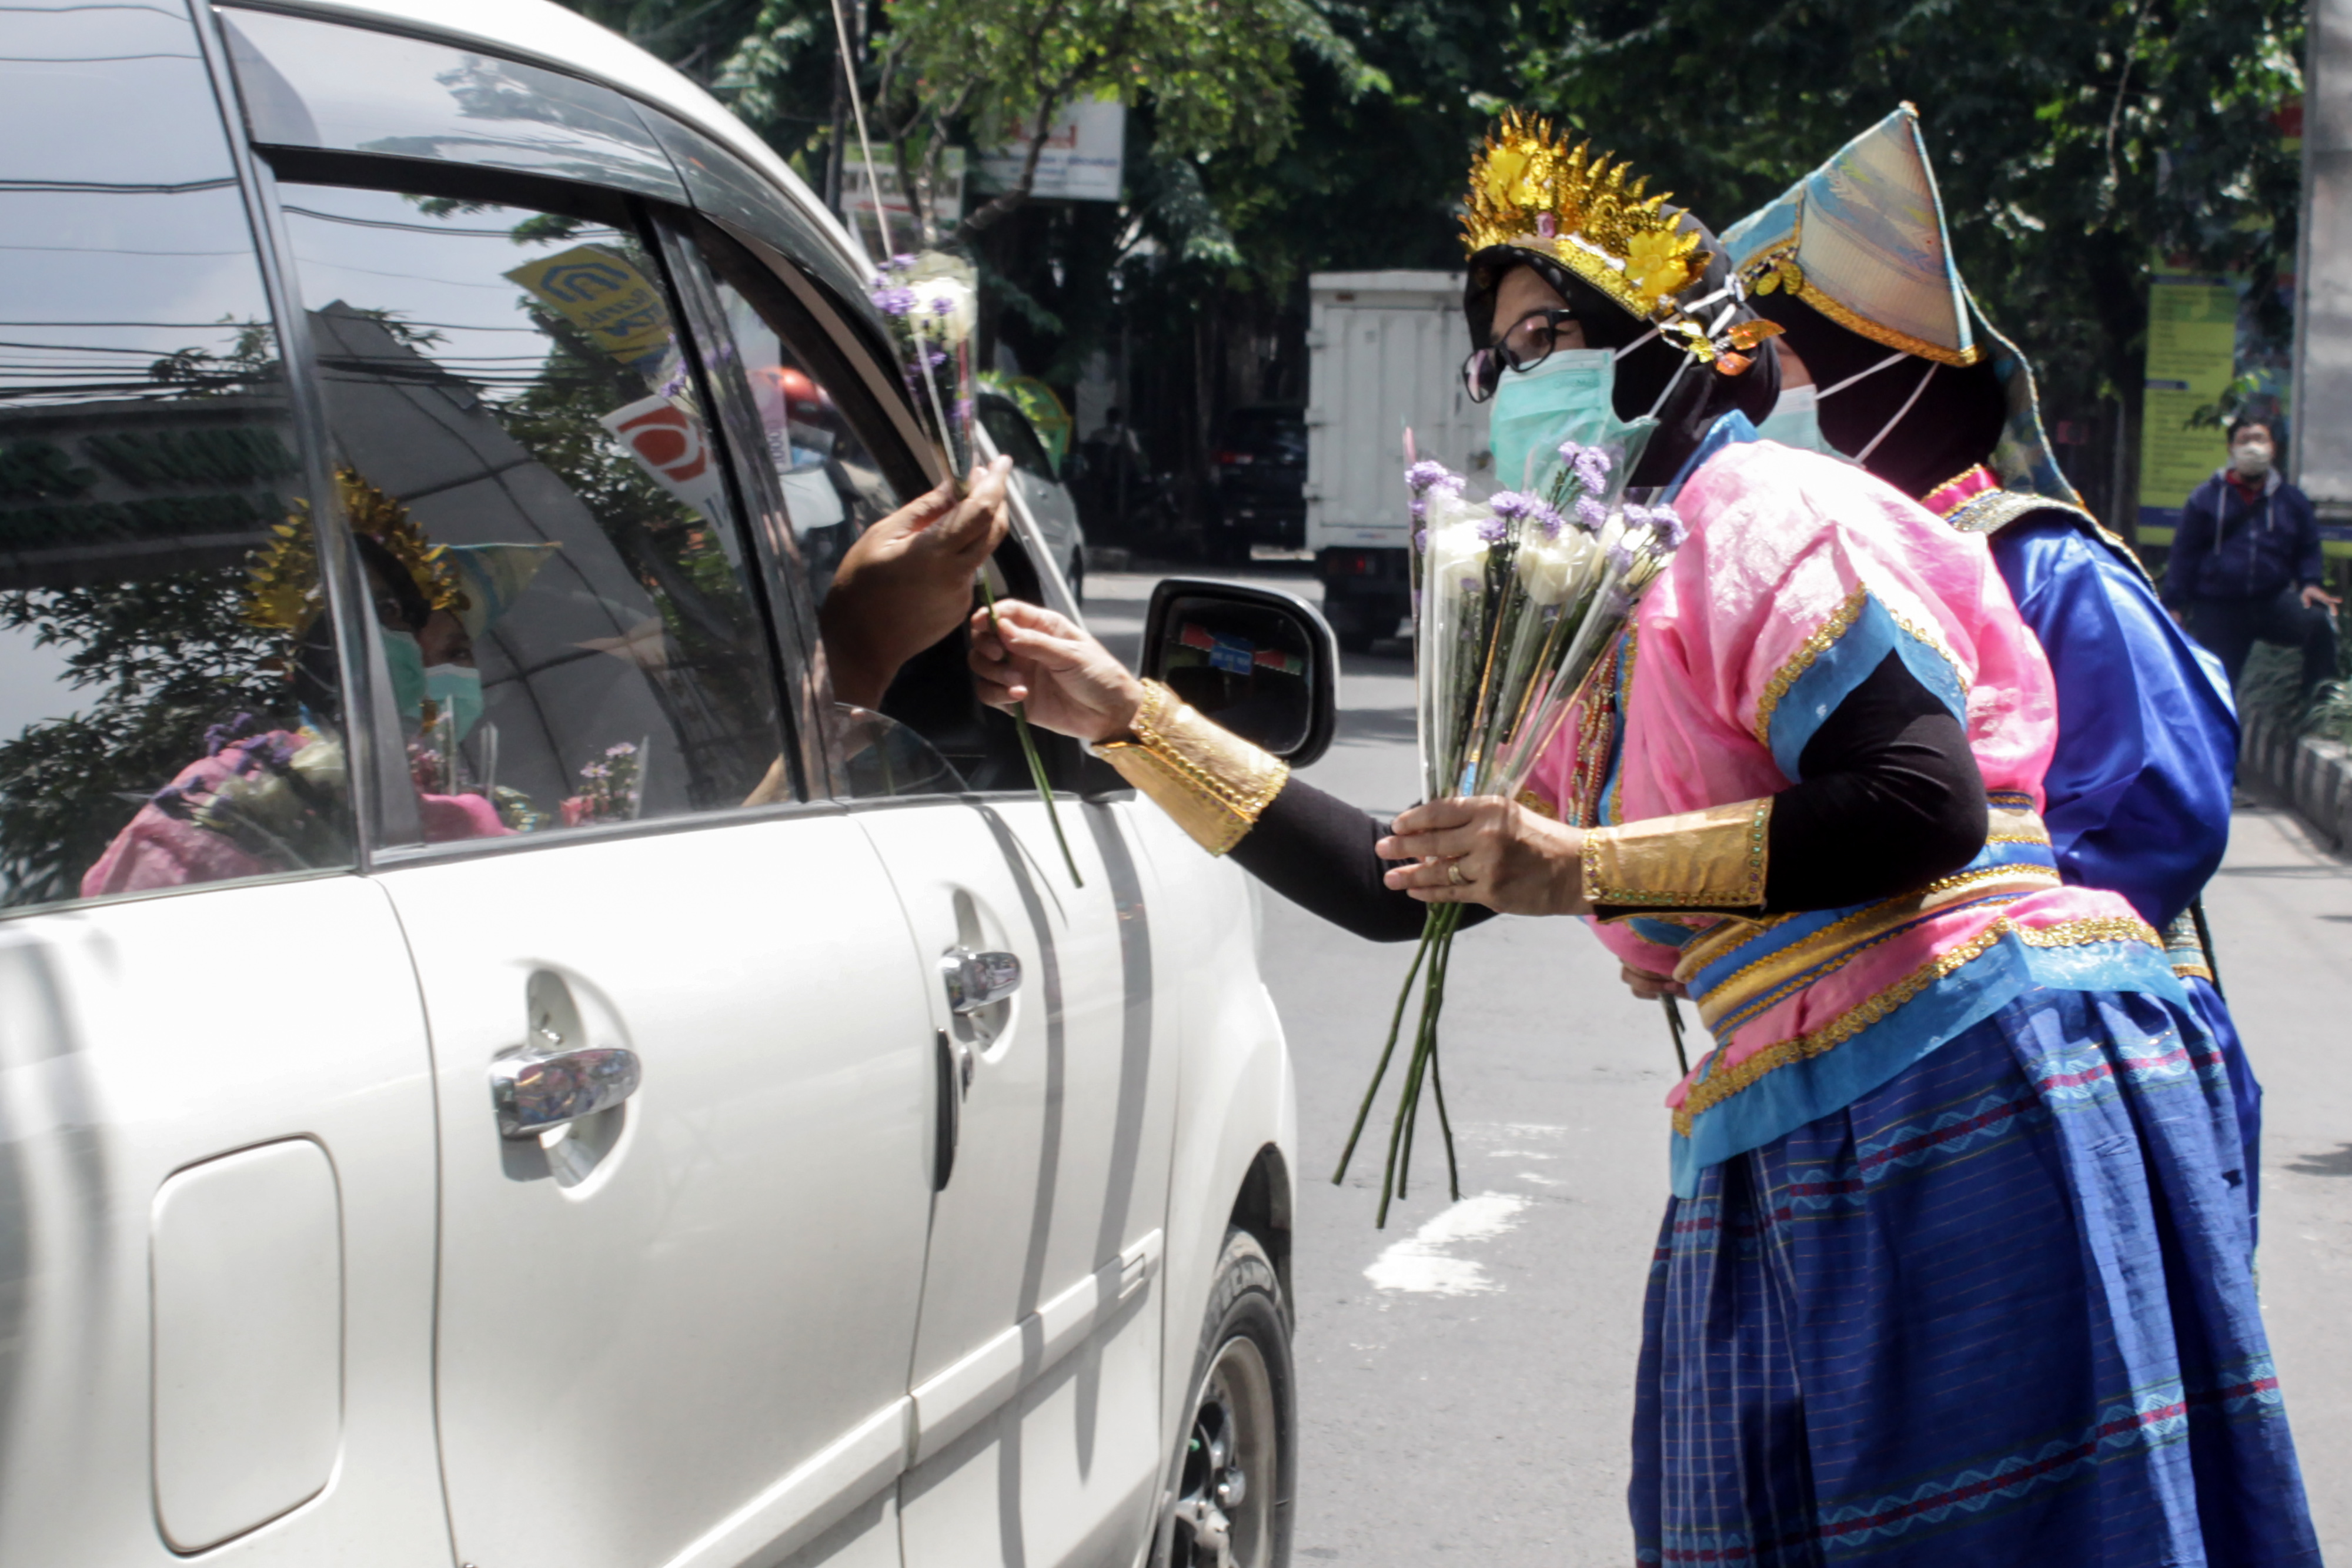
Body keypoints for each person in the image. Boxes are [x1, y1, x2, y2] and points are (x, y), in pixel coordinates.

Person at [972, 112, 2317, 1567]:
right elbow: (1394, 883)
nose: (1518, 379)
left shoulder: (1752, 506)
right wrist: (1121, 712)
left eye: (1554, 330)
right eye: (1500, 351)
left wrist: (1589, 872)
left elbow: (1919, 799)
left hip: (1966, 1086)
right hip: (1786, 1118)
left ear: (1687, 355)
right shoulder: (1600, 614)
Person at [1720, 103, 2267, 1241]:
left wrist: (1892, 931)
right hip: (1850, 1086)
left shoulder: (2045, 568)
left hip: (2064, 1084)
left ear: (1876, 375)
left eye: (1775, 367)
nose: (1751, 403)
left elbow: (2155, 823)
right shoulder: (1811, 584)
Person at [2163, 416, 2342, 703]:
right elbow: (2185, 553)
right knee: (2216, 690)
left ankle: (2318, 707)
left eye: (2260, 440)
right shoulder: (2205, 498)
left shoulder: (2291, 500)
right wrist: (2174, 605)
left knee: (2318, 623)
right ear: (2231, 448)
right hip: (2220, 606)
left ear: (2273, 448)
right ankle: (2214, 743)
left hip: (2271, 601)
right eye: (2245, 441)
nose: (2253, 448)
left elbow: (2308, 546)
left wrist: (2310, 583)